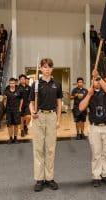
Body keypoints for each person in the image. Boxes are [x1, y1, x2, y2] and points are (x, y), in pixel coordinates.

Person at [29, 58, 62, 192]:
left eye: (49, 67)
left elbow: (59, 103)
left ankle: (49, 178)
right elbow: (31, 101)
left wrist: (58, 119)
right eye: (44, 67)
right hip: (39, 117)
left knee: (50, 149)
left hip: (52, 117)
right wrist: (32, 112)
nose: (47, 69)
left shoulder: (57, 84)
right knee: (38, 148)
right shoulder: (36, 84)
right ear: (41, 69)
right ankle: (39, 179)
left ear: (52, 69)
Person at [79, 69, 106, 187]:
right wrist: (89, 95)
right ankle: (96, 176)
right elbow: (81, 108)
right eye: (95, 80)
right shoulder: (88, 93)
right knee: (96, 153)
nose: (97, 82)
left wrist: (98, 76)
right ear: (91, 82)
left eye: (99, 80)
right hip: (95, 127)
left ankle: (105, 175)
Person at [3, 78, 23, 144]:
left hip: (16, 110)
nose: (12, 84)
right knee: (10, 125)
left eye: (13, 83)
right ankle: (10, 138)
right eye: (11, 83)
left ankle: (15, 138)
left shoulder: (18, 90)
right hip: (9, 110)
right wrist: (5, 104)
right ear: (9, 83)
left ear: (15, 83)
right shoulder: (6, 91)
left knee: (16, 125)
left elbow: (21, 100)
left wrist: (20, 108)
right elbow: (4, 100)